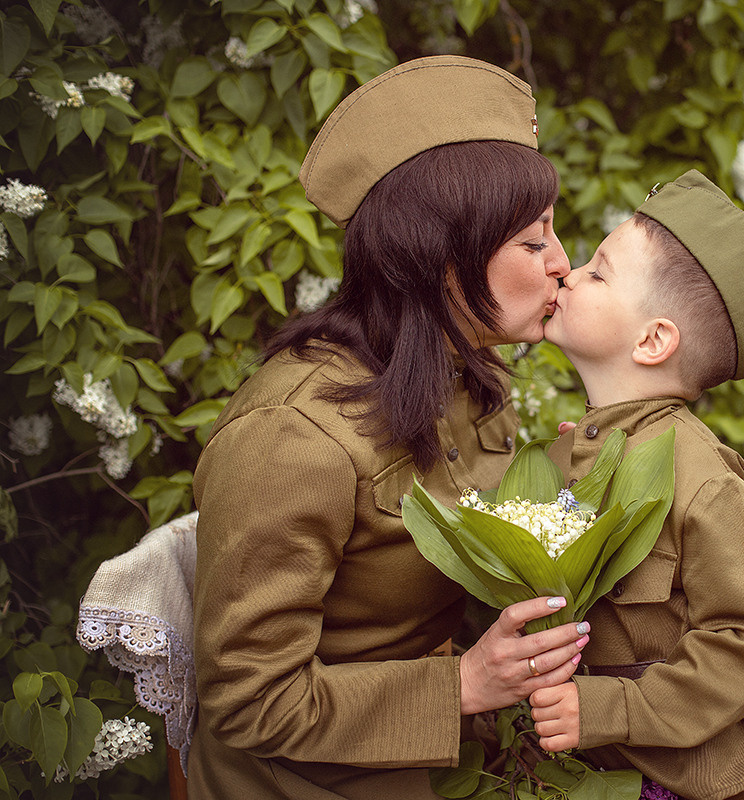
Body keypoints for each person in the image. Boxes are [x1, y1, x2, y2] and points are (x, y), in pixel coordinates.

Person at [188, 56, 590, 799]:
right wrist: (461, 686)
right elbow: (249, 701)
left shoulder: (464, 385)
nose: (564, 264)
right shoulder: (293, 437)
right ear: (441, 260)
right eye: (534, 242)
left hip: (441, 766)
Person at [530, 170, 744, 800]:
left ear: (653, 340)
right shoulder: (571, 453)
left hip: (710, 784)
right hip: (600, 775)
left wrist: (606, 709)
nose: (568, 272)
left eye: (598, 273)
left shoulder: (702, 478)